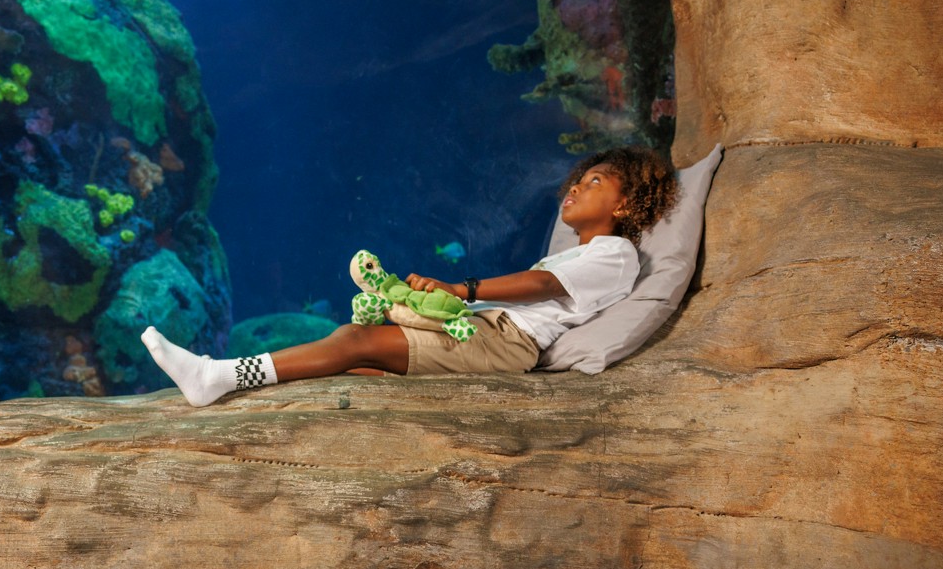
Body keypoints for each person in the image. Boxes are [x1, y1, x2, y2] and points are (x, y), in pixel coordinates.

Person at [140, 147, 680, 406]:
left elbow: (543, 289)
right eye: (578, 180)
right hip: (484, 326)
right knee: (357, 355)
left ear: (626, 204)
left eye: (595, 182)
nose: (576, 187)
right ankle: (230, 379)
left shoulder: (617, 254)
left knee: (354, 341)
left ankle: (216, 375)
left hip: (503, 341)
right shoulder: (579, 252)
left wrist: (460, 289)